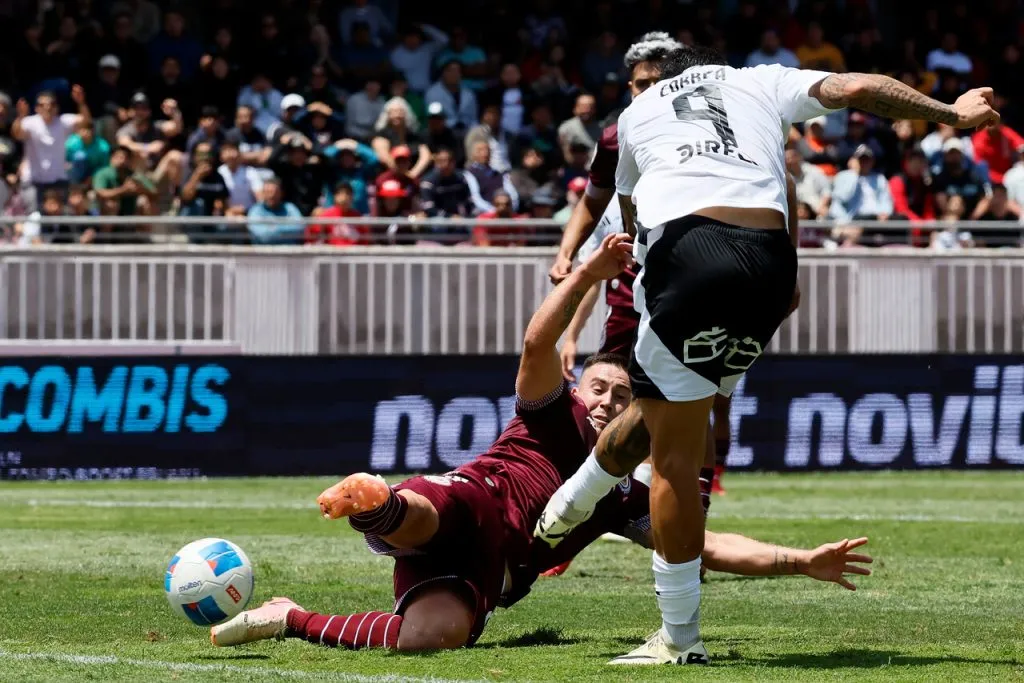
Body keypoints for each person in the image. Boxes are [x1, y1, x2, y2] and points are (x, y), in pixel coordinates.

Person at [539, 45, 998, 666]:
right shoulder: (762, 81)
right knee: (670, 413)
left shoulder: (637, 116)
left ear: (659, 81)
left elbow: (628, 218)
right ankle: (567, 507)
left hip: (688, 253)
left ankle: (678, 638)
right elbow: (858, 85)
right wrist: (952, 112)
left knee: (670, 454)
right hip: (770, 265)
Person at [208, 233, 872, 652]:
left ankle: (288, 615)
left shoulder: (624, 493)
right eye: (600, 388)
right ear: (579, 385)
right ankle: (376, 503)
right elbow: (535, 344)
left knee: (431, 638)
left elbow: (699, 547)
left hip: (487, 574)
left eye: (622, 395)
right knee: (433, 509)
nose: (609, 400)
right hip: (470, 502)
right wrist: (586, 274)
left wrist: (800, 559)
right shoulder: (552, 414)